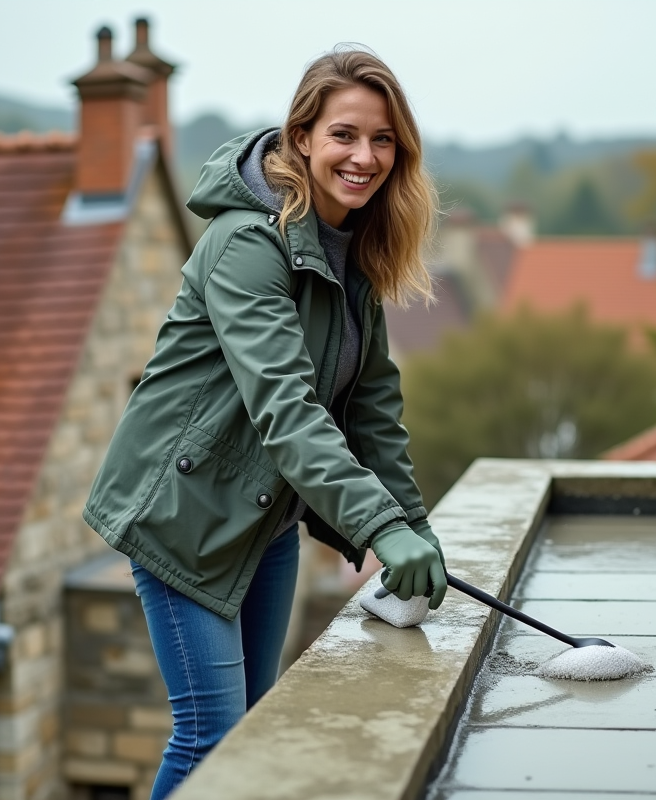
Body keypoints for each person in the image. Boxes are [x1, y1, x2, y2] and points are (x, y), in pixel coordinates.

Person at [82, 47, 446, 800]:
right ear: (303, 135)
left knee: (252, 725)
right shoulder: (247, 243)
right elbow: (288, 411)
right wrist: (381, 528)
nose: (364, 156)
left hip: (263, 520)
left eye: (383, 140)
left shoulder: (354, 255)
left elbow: (373, 407)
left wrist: (415, 525)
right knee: (211, 738)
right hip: (179, 517)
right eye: (345, 134)